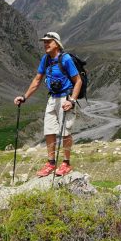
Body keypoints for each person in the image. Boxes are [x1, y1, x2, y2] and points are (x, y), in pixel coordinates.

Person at [14, 32, 82, 177]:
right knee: (49, 130)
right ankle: (51, 163)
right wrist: (24, 97)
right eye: (44, 42)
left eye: (48, 42)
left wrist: (72, 101)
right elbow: (37, 80)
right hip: (52, 98)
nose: (45, 44)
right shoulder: (46, 59)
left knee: (65, 131)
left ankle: (66, 163)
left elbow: (78, 81)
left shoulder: (66, 59)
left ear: (56, 43)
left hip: (66, 97)